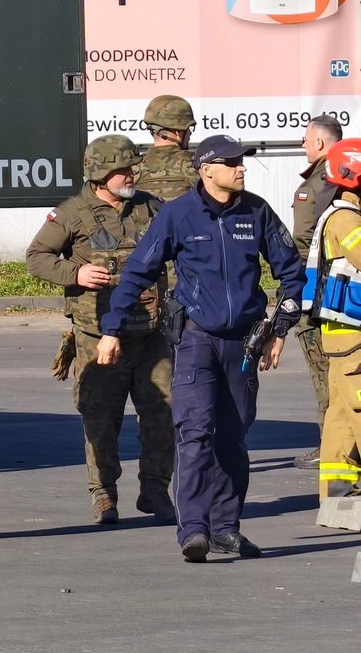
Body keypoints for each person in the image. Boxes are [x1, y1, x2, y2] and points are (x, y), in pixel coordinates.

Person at [96, 135, 304, 563]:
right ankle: (193, 529)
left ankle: (226, 528)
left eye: (242, 161)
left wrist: (279, 329)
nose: (241, 168)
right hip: (196, 341)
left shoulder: (257, 211)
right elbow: (138, 272)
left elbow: (292, 273)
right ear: (206, 169)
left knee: (234, 438)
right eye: (231, 162)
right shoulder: (178, 215)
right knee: (194, 433)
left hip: (244, 344)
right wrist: (112, 329)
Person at [26, 135, 174, 525]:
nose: (131, 174)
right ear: (99, 175)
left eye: (131, 167)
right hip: (97, 336)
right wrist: (75, 272)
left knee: (161, 414)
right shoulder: (72, 213)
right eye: (122, 170)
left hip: (152, 335)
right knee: (101, 419)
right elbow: (37, 257)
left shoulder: (149, 207)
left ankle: (156, 489)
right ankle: (104, 494)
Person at [301, 137, 361, 530]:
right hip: (353, 336)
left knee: (341, 414)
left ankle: (338, 501)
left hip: (343, 335)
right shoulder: (346, 219)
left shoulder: (340, 213)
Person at [291, 114, 343, 470]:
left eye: (306, 140)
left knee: (325, 369)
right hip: (339, 288)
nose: (303, 146)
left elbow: (308, 240)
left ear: (321, 144)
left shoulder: (323, 181)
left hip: (319, 290)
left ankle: (333, 443)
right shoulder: (343, 174)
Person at [133, 95, 198, 200]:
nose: (190, 133)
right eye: (189, 128)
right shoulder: (196, 166)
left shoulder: (133, 170)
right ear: (178, 133)